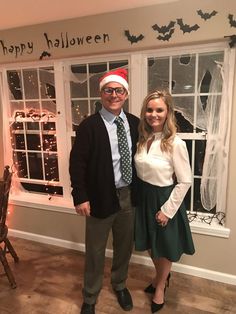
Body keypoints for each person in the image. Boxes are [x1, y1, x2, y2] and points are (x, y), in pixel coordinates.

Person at [69, 68, 139, 314]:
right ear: (101, 94)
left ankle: (119, 284)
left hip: (128, 196)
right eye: (109, 90)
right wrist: (81, 196)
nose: (114, 95)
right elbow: (77, 163)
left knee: (124, 247)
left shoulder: (133, 123)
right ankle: (90, 296)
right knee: (95, 251)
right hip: (99, 198)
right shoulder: (89, 126)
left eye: (119, 90)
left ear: (126, 94)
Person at [134, 90, 195, 313]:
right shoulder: (143, 138)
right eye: (149, 110)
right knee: (151, 244)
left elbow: (185, 181)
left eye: (159, 110)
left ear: (168, 112)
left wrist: (167, 210)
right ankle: (161, 276)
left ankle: (160, 286)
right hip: (144, 198)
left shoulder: (175, 143)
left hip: (164, 199)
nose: (154, 114)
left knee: (165, 248)